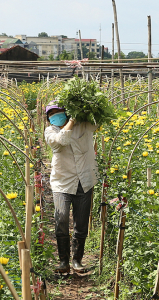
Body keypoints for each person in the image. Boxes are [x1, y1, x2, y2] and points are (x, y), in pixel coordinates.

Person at [44, 101, 98, 274]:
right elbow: (62, 140)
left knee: (81, 224)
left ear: (66, 112)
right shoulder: (50, 131)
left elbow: (97, 122)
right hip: (62, 182)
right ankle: (63, 261)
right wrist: (72, 121)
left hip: (85, 180)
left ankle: (77, 260)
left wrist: (86, 108)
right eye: (51, 113)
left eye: (59, 112)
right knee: (61, 221)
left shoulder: (84, 126)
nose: (55, 115)